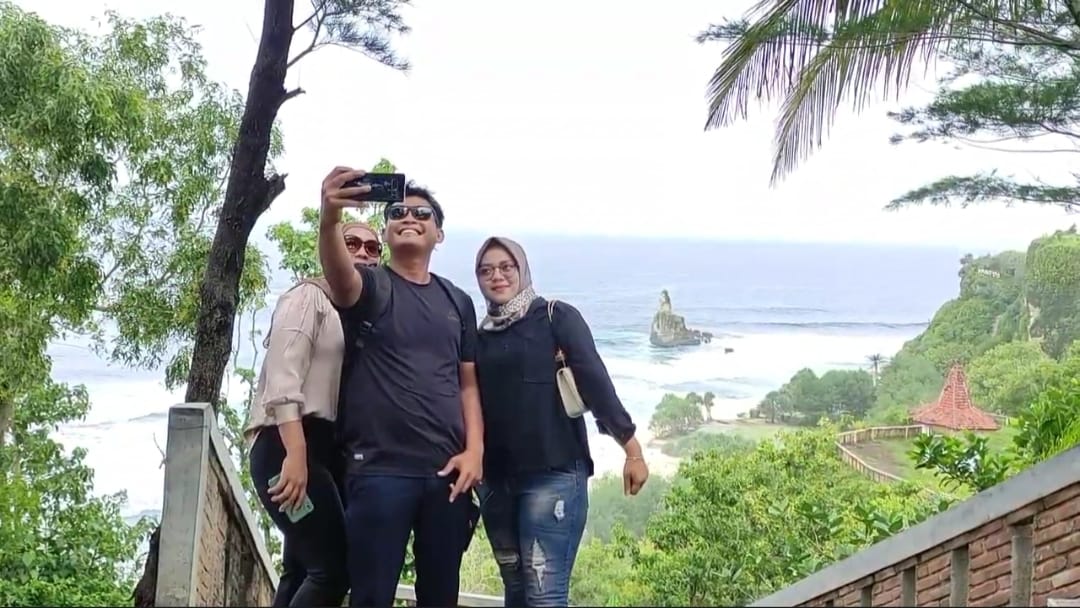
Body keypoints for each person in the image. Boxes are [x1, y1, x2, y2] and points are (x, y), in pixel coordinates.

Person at [317, 167, 484, 608]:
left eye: (422, 214)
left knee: (440, 596)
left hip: (447, 474)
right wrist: (329, 218)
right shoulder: (371, 285)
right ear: (388, 231)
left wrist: (475, 452)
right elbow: (340, 276)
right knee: (371, 596)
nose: (409, 217)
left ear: (438, 234)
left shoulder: (458, 301)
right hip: (378, 470)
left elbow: (467, 384)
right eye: (398, 213)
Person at [473, 236, 649, 607]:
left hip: (552, 476)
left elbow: (595, 383)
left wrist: (631, 449)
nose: (497, 276)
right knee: (516, 591)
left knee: (544, 595)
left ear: (522, 269)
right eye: (486, 270)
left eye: (506, 267)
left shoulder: (555, 317)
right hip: (496, 482)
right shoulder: (480, 336)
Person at [244, 222, 383, 607]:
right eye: (351, 242)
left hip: (324, 450)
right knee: (333, 571)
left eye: (373, 248)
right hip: (286, 446)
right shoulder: (309, 297)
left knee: (302, 568)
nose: (363, 252)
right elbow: (282, 375)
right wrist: (296, 454)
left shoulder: (357, 316)